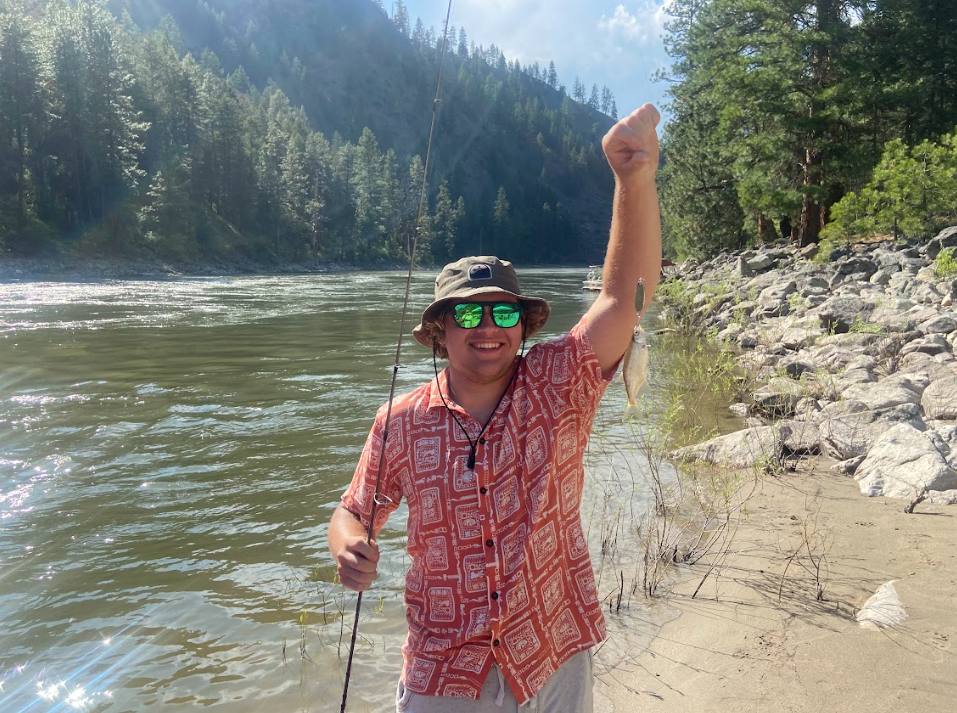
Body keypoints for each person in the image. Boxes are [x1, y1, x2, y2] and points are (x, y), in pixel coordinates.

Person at [328, 104, 662, 712]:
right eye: (468, 313)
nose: (488, 327)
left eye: (504, 312)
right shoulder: (398, 422)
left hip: (552, 651)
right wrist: (349, 545)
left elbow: (623, 300)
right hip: (443, 667)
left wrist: (633, 179)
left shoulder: (558, 384)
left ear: (523, 325)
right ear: (438, 331)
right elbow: (353, 512)